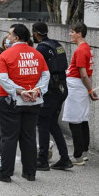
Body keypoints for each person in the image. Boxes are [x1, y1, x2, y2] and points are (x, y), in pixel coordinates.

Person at [0, 24, 50, 183]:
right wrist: (36, 91)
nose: (8, 37)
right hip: (33, 102)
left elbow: (2, 79)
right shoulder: (37, 54)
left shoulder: (5, 55)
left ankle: (5, 173)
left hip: (10, 101)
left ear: (16, 37)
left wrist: (19, 91)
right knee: (29, 137)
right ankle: (30, 172)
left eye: (10, 34)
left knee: (9, 138)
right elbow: (45, 76)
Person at [31, 22, 73, 170]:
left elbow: (38, 70)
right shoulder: (57, 44)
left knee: (42, 122)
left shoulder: (41, 48)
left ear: (36, 33)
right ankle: (65, 158)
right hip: (61, 88)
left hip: (51, 91)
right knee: (52, 123)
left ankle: (42, 160)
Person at [62, 23, 98, 165]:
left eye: (72, 32)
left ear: (79, 33)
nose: (70, 34)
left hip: (77, 87)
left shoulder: (81, 50)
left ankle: (77, 155)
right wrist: (89, 89)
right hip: (81, 86)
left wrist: (90, 90)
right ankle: (83, 152)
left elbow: (83, 74)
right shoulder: (87, 49)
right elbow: (88, 75)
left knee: (74, 120)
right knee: (82, 119)